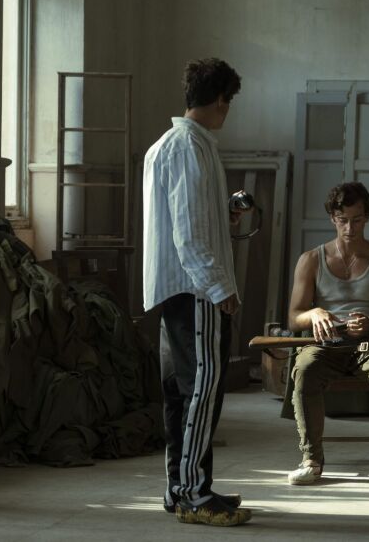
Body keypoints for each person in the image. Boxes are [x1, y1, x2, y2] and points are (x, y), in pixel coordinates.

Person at [142, 57, 252, 526]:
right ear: (221, 99)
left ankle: (181, 488)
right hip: (196, 292)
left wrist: (223, 215)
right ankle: (193, 494)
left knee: (181, 392)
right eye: (229, 101)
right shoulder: (190, 147)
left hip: (174, 288)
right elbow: (187, 233)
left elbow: (183, 220)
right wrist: (219, 286)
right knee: (201, 392)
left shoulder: (167, 145)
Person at [285, 182, 369, 487]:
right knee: (305, 367)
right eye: (342, 220)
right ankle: (311, 459)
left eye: (357, 220)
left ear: (366, 218)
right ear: (333, 218)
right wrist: (314, 314)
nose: (349, 228)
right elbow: (293, 318)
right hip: (327, 344)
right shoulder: (311, 260)